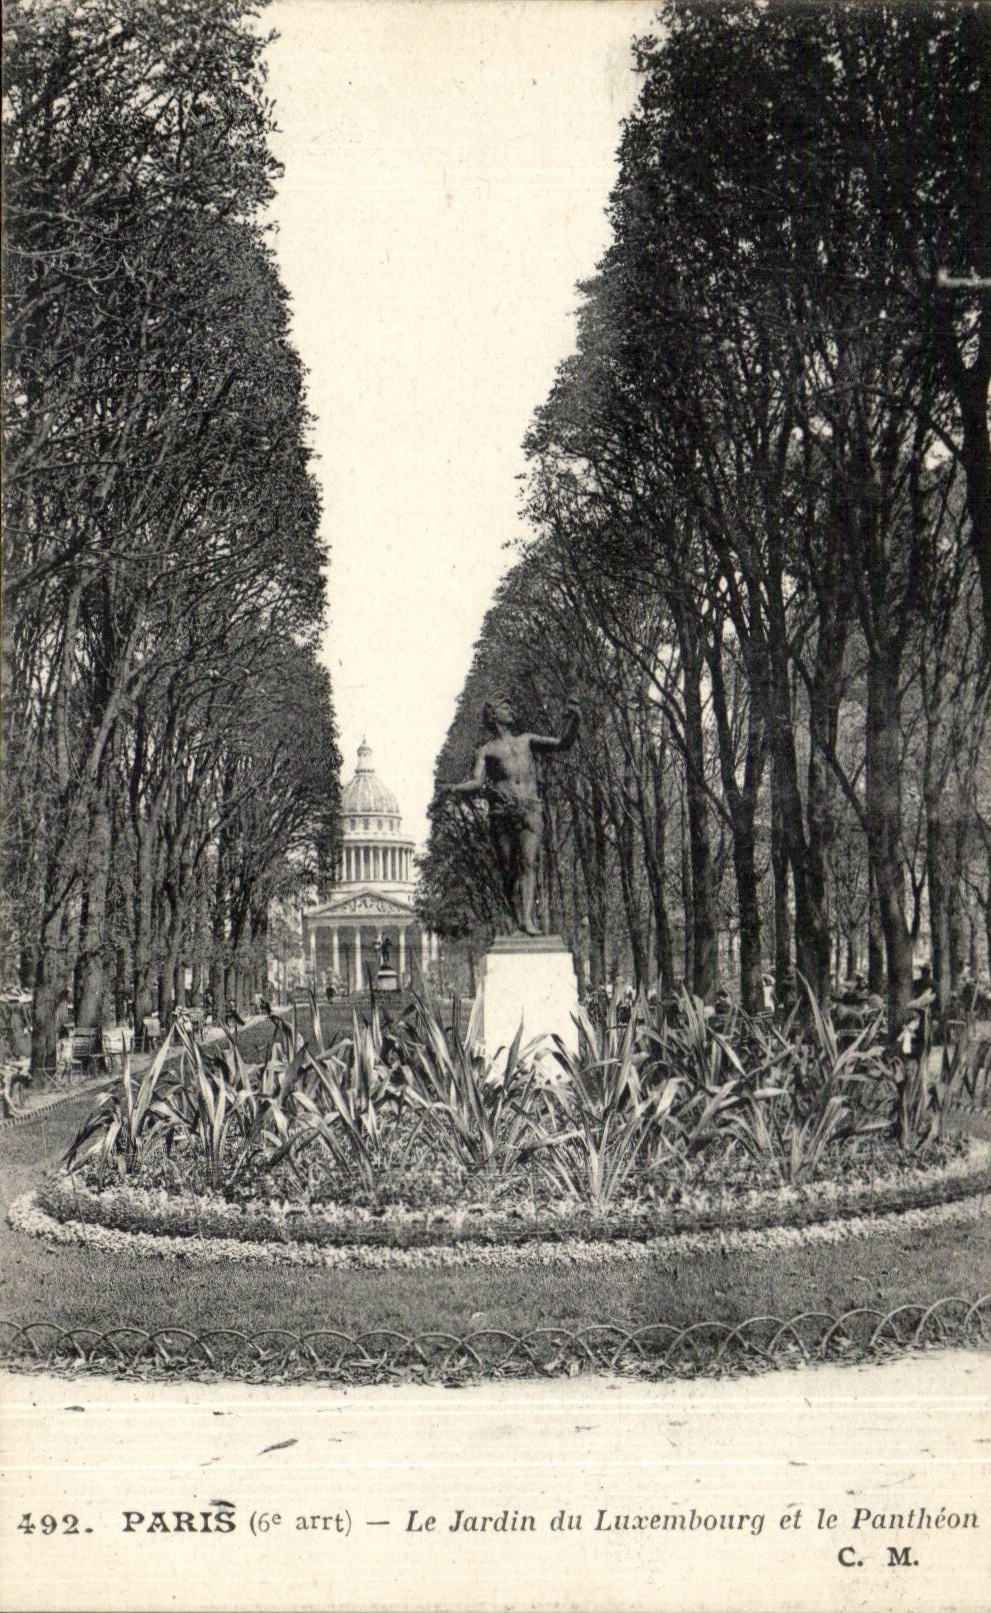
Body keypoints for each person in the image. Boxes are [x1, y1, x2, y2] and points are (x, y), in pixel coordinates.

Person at [438, 692, 580, 936]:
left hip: (530, 808)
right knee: (508, 870)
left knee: (528, 862)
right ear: (494, 716)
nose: (511, 711)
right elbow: (476, 781)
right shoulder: (486, 751)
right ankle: (515, 919)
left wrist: (574, 720)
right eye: (506, 708)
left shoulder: (527, 740)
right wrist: (454, 788)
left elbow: (562, 744)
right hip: (502, 814)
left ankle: (527, 920)